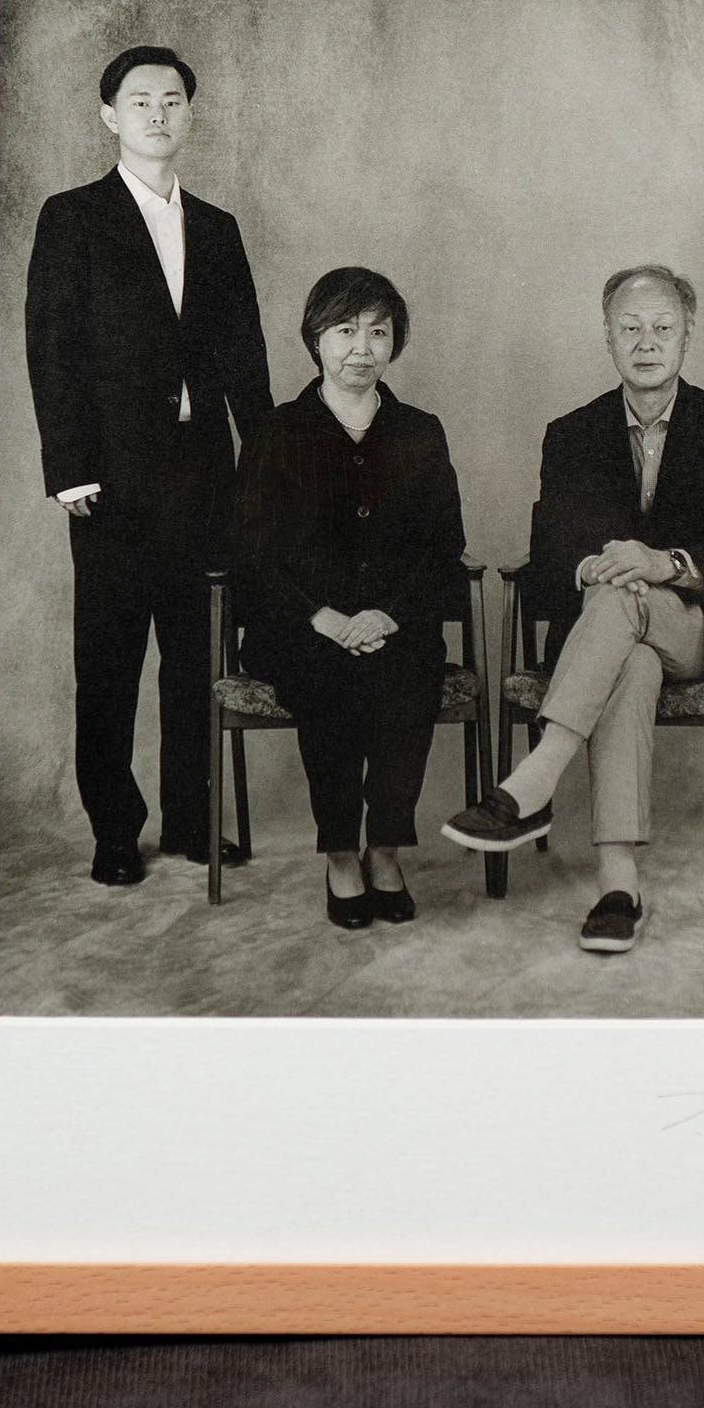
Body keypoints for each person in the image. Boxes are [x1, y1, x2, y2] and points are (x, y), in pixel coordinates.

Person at [442, 267, 704, 953]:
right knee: (632, 658)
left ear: (687, 334)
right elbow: (553, 547)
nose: (646, 342)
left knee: (628, 600)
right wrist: (592, 566)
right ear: (607, 336)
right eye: (630, 328)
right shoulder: (572, 432)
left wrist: (662, 563)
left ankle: (536, 778)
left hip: (698, 629)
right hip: (614, 637)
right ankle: (618, 886)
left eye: (662, 328)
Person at [24, 46, 272, 887]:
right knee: (109, 661)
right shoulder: (73, 217)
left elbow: (246, 358)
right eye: (140, 101)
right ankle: (114, 832)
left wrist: (263, 465)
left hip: (204, 477)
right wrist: (70, 469)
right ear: (110, 116)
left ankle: (193, 822)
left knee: (196, 658)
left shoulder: (218, 227)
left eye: (172, 100)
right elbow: (52, 348)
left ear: (189, 114)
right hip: (112, 482)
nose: (158, 114)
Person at [234, 268, 466, 930]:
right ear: (316, 339)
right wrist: (325, 619)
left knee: (406, 678)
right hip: (299, 628)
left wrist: (387, 614)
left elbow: (443, 544)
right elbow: (254, 553)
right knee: (329, 679)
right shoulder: (278, 432)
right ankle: (341, 853)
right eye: (345, 331)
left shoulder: (419, 431)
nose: (361, 348)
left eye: (378, 333)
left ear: (395, 343)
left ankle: (384, 850)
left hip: (397, 624)